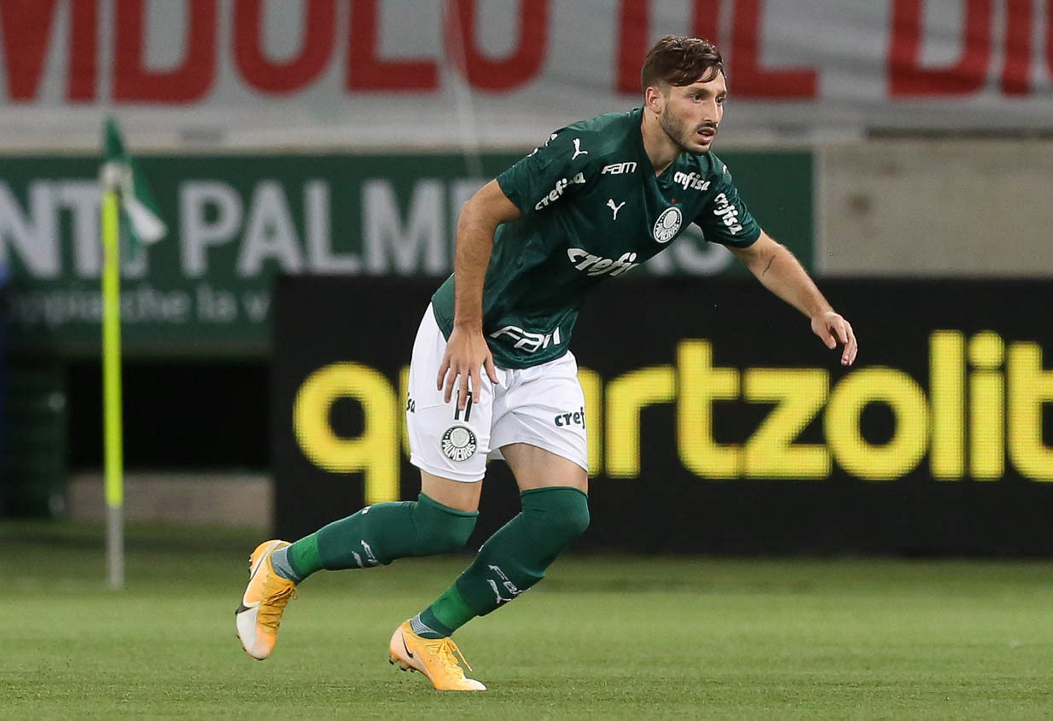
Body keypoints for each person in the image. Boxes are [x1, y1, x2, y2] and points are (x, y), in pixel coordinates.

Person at [235, 35, 857, 691]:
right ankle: (284, 565)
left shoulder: (700, 179)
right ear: (655, 99)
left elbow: (761, 253)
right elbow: (479, 213)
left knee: (562, 514)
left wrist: (818, 309)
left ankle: (425, 634)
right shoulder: (588, 150)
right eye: (697, 97)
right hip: (467, 341)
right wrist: (467, 328)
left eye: (721, 99)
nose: (713, 113)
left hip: (544, 352)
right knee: (442, 523)